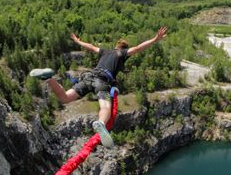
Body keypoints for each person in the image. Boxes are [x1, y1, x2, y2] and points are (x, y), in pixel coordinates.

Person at [30, 27, 168, 148]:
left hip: (88, 77)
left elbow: (90, 46)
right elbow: (138, 48)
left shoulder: (105, 51)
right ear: (125, 49)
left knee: (65, 98)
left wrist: (78, 42)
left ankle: (48, 78)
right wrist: (155, 39)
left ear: (115, 46)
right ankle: (101, 123)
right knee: (105, 107)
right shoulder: (122, 53)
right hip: (102, 82)